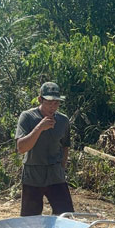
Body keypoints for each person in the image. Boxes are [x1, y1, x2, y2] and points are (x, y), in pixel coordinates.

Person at [15, 82, 74, 216]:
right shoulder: (28, 117)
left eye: (56, 103)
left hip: (55, 175)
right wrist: (39, 128)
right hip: (33, 175)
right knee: (30, 219)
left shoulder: (63, 120)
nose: (53, 107)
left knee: (66, 215)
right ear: (40, 100)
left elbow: (65, 146)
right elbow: (21, 148)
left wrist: (61, 168)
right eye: (49, 103)